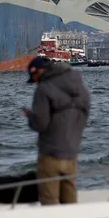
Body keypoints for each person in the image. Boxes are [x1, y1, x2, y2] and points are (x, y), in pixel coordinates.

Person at [22, 55, 90, 205]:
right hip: (72, 154)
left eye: (34, 78)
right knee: (70, 202)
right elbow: (84, 116)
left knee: (49, 202)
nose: (35, 82)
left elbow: (41, 123)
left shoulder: (44, 89)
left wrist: (30, 117)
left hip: (50, 155)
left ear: (39, 71)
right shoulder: (79, 85)